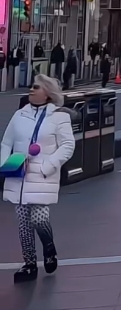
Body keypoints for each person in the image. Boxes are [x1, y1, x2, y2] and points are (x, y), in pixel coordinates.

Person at [0, 74, 75, 283]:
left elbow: (68, 146)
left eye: (36, 87)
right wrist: (5, 164)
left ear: (48, 94)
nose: (31, 90)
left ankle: (49, 248)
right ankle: (29, 264)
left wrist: (48, 165)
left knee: (39, 218)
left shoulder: (59, 117)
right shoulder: (19, 115)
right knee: (23, 223)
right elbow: (6, 142)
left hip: (42, 174)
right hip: (19, 174)